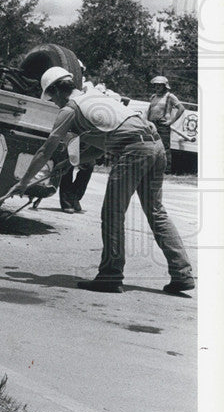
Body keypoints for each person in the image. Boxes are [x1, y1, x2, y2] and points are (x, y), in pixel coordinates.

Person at [13, 67, 195, 295]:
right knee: (156, 211)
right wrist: (69, 163)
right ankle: (182, 274)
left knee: (112, 212)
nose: (53, 102)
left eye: (51, 97)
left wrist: (24, 182)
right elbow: (102, 146)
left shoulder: (70, 109)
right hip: (154, 146)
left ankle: (110, 275)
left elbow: (45, 150)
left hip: (135, 150)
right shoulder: (96, 97)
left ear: (57, 90)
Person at [147, 76, 183, 173]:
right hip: (151, 124)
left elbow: (181, 108)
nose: (157, 87)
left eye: (160, 85)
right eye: (156, 85)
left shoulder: (170, 96)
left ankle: (166, 170)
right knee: (150, 146)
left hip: (162, 125)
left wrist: (171, 121)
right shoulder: (153, 97)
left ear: (165, 86)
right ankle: (152, 168)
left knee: (164, 147)